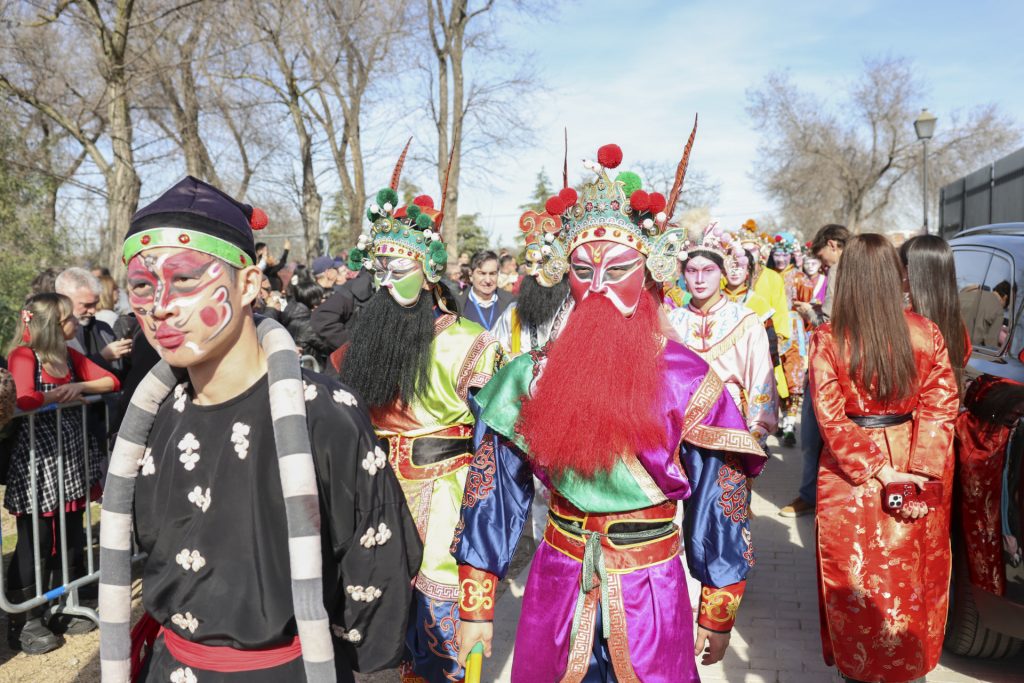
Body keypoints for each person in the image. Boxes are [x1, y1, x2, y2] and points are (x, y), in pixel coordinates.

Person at [453, 139, 766, 682]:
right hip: (558, 576)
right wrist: (477, 600)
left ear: (647, 273)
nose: (598, 287)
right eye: (581, 269)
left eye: (618, 269)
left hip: (651, 586)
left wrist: (719, 600)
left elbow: (721, 494)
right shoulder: (528, 376)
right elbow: (494, 490)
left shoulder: (687, 379)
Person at [97, 175, 421, 683]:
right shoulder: (150, 420)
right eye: (142, 284)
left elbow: (376, 577)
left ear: (248, 284)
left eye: (184, 279)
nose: (159, 304)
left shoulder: (325, 413)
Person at [339, 158, 500, 683]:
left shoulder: (470, 346)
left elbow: (494, 447)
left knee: (438, 633)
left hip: (445, 495)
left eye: (397, 270)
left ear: (430, 271)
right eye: (377, 271)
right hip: (376, 493)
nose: (385, 283)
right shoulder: (358, 349)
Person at [809, 233, 958, 683]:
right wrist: (919, 469)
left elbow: (830, 418)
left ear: (848, 278)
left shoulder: (828, 337)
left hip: (851, 473)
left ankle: (859, 670)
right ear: (897, 275)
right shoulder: (925, 331)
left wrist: (876, 469)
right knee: (915, 574)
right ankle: (911, 666)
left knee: (857, 579)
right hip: (913, 456)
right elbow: (941, 401)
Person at [6, 293, 118, 654]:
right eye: (69, 319)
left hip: (70, 461)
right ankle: (25, 618)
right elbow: (23, 399)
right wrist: (60, 397)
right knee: (34, 540)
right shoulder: (24, 356)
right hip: (37, 461)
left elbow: (110, 382)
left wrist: (78, 386)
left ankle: (61, 603)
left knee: (70, 533)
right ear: (53, 325)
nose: (75, 324)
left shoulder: (69, 357)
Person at [669, 224, 778, 447]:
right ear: (683, 274)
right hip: (680, 430)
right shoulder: (672, 322)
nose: (699, 279)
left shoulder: (746, 320)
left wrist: (758, 429)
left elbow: (760, 378)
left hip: (731, 426)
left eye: (708, 270)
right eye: (692, 271)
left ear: (723, 272)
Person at [780, 223, 849, 518]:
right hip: (853, 367)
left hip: (829, 365)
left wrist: (809, 312)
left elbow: (830, 322)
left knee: (811, 434)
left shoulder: (839, 270)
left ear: (832, 244)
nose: (821, 262)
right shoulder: (869, 269)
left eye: (821, 255)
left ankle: (810, 495)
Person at [492, 203, 573, 357]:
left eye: (542, 264)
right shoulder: (513, 313)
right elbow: (493, 354)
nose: (534, 272)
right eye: (529, 264)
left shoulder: (575, 311)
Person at [900, 235, 970, 393]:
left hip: (912, 413)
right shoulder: (956, 323)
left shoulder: (906, 323)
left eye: (900, 267)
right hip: (948, 409)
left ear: (909, 271)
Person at [55, 267, 132, 376]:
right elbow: (64, 378)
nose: (93, 311)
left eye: (95, 304)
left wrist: (127, 356)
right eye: (86, 305)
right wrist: (102, 358)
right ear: (63, 300)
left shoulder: (104, 329)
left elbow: (121, 373)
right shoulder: (52, 335)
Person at [767, 233, 806, 447]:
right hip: (772, 329)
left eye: (784, 254)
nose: (780, 258)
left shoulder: (798, 277)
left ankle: (791, 422)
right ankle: (782, 419)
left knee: (794, 376)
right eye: (777, 254)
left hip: (793, 329)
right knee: (775, 376)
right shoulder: (766, 276)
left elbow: (806, 304)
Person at [454, 250, 513, 331]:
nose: (488, 280)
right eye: (482, 273)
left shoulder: (511, 303)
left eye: (492, 273)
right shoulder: (455, 307)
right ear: (471, 275)